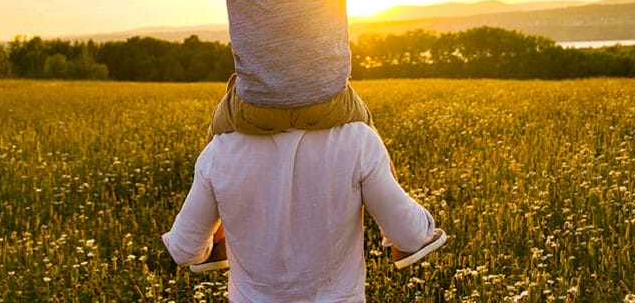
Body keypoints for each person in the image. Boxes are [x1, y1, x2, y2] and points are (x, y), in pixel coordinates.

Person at [102, 0, 475, 265]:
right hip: (328, 103)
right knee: (366, 131)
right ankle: (403, 238)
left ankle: (215, 240)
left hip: (255, 109)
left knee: (218, 133)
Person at [161, 122, 447, 302]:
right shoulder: (357, 139)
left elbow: (184, 251)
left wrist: (214, 237)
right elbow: (411, 237)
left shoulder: (219, 150)